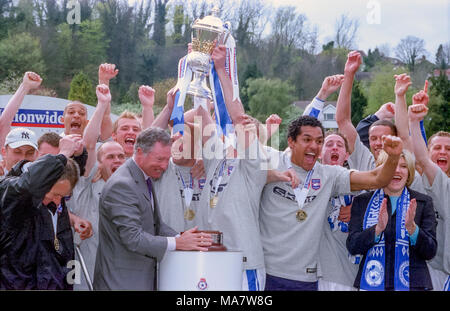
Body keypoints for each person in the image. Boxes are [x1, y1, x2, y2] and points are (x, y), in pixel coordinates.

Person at [259, 114, 404, 291]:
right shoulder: (271, 160)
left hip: (306, 278)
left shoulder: (329, 175)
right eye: (307, 139)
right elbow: (240, 160)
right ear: (291, 141)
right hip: (266, 272)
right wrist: (271, 174)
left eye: (319, 141)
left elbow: (376, 178)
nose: (314, 146)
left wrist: (393, 157)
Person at [93, 127, 213, 290]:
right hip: (121, 283)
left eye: (167, 159)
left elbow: (156, 225)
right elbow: (133, 238)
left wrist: (186, 239)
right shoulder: (122, 185)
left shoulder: (143, 177)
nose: (164, 166)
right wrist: (178, 242)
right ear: (140, 152)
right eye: (159, 159)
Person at [347, 149, 437, 290]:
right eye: (392, 165)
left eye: (403, 166)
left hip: (413, 285)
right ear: (382, 171)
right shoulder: (362, 201)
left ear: (409, 172)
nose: (397, 171)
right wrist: (377, 230)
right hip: (372, 282)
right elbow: (353, 246)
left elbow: (430, 251)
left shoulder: (423, 202)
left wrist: (412, 229)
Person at [0, 135, 82, 289]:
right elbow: (28, 186)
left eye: (64, 196)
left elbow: (65, 256)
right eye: (55, 195)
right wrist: (62, 154)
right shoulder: (10, 191)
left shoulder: (54, 200)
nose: (58, 201)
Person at [67, 84, 126, 290]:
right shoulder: (87, 178)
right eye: (110, 156)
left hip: (113, 265)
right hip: (81, 262)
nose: (117, 160)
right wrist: (102, 105)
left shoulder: (130, 186)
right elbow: (90, 144)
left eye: (121, 156)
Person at [408, 102, 450, 291]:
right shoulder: (417, 180)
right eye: (437, 148)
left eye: (448, 149)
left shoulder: (445, 186)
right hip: (428, 269)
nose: (442, 152)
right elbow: (421, 158)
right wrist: (414, 122)